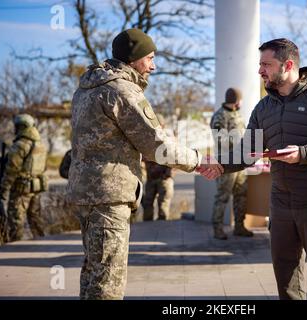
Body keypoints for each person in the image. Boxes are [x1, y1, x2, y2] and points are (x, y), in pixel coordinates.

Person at [66, 28, 222, 300]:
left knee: (94, 271)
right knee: (108, 283)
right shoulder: (122, 91)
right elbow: (157, 146)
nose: (153, 65)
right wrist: (198, 160)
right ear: (133, 58)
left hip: (87, 193)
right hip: (109, 195)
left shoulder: (88, 88)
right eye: (149, 58)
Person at [215, 38, 307, 299]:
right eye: (260, 65)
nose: (260, 71)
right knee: (286, 280)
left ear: (288, 64)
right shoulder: (263, 107)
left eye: (266, 64)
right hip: (280, 204)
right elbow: (249, 151)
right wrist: (218, 165)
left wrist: (303, 154)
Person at [210, 88, 253, 240]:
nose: (241, 102)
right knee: (222, 196)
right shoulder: (219, 116)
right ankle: (218, 229)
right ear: (236, 101)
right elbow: (220, 139)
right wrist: (239, 144)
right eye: (240, 100)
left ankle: (239, 226)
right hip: (226, 163)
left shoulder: (238, 114)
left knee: (241, 194)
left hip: (240, 163)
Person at [0, 114, 48, 242]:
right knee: (36, 220)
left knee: (16, 222)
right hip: (36, 188)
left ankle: (16, 248)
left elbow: (11, 170)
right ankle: (43, 245)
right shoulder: (40, 144)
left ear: (21, 126)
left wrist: (4, 189)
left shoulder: (20, 145)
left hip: (21, 189)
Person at [143, 114, 175, 221]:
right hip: (151, 177)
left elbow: (175, 157)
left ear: (163, 125)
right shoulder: (147, 137)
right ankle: (148, 229)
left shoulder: (169, 139)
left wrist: (168, 173)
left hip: (164, 178)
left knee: (163, 208)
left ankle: (161, 231)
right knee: (147, 205)